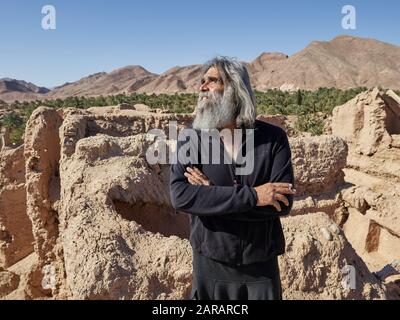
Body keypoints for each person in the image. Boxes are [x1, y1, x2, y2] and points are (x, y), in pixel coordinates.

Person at [169, 56, 296, 300]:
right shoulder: (191, 138)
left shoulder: (273, 139)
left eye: (213, 81)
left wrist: (211, 195)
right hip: (210, 264)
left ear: (235, 90)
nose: (202, 87)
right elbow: (181, 196)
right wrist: (254, 196)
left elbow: (283, 203)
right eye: (202, 81)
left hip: (260, 265)